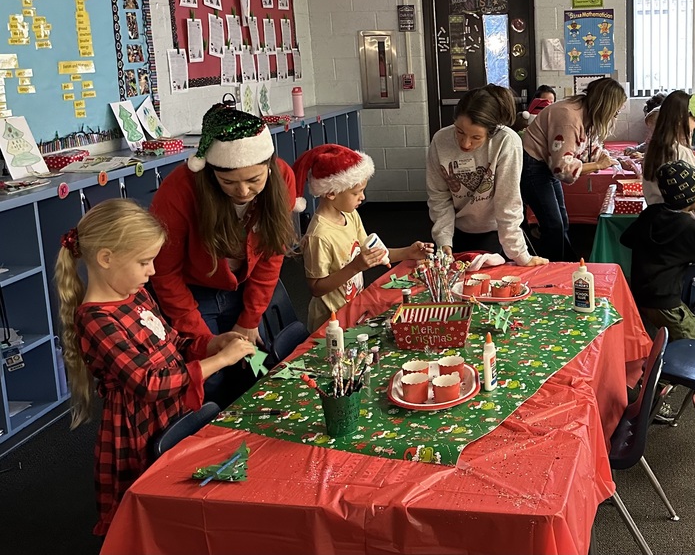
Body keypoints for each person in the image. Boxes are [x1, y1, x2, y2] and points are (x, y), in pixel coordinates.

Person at [55, 200, 254, 535]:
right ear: (106, 259)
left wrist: (209, 344)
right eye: (144, 261)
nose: (152, 271)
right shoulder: (95, 318)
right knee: (147, 496)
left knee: (179, 483)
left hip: (172, 408)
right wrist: (218, 362)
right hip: (139, 426)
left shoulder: (136, 295)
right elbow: (147, 383)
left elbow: (172, 342)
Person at [150, 104, 297, 407]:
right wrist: (206, 341)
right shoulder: (179, 190)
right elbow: (165, 274)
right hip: (193, 293)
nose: (243, 191)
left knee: (251, 365)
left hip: (243, 288)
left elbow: (271, 254)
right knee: (211, 377)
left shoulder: (282, 178)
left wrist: (250, 317)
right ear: (210, 172)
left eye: (254, 180)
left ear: (269, 165)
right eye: (229, 182)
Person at [294, 144, 435, 332]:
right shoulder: (319, 236)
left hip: (352, 310)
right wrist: (355, 267)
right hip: (330, 322)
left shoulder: (349, 214)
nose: (362, 197)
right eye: (356, 192)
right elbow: (316, 287)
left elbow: (373, 253)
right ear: (331, 192)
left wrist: (408, 252)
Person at [426, 84, 547, 266]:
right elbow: (439, 197)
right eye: (459, 132)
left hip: (496, 232)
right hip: (455, 229)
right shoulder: (440, 140)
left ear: (492, 132)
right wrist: (443, 242)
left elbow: (508, 201)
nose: (465, 144)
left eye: (476, 138)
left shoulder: (506, 141)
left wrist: (520, 255)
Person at [521, 77, 622, 261]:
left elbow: (583, 145)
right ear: (605, 106)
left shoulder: (585, 109)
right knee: (553, 225)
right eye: (615, 111)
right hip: (533, 164)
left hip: (545, 163)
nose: (616, 116)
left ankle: (567, 262)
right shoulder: (569, 116)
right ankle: (552, 269)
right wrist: (598, 165)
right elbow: (562, 170)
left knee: (561, 221)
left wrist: (601, 156)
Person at [622, 160, 695, 341]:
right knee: (691, 337)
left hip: (639, 295)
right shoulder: (690, 227)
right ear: (694, 196)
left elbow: (626, 239)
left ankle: (658, 364)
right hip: (666, 302)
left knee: (661, 338)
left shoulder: (651, 212)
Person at [641, 89, 695, 254]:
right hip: (683, 229)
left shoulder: (653, 151)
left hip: (659, 227)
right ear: (681, 120)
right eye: (693, 119)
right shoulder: (681, 153)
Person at [624, 93, 667, 157]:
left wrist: (644, 156)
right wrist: (635, 149)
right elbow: (648, 144)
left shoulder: (670, 137)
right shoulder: (653, 130)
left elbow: (664, 155)